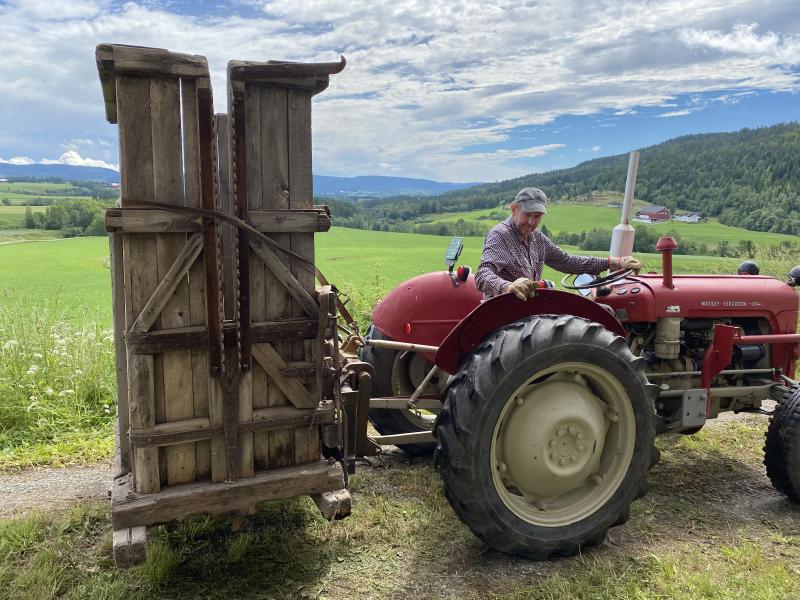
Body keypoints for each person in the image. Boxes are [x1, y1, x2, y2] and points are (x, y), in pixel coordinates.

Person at [475, 187, 641, 300]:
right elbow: (483, 275)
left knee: (601, 310)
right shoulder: (500, 235)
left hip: (527, 307)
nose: (532, 222)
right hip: (505, 310)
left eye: (537, 216)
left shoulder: (536, 237)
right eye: (527, 215)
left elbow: (566, 261)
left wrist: (615, 262)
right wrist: (508, 286)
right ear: (514, 209)